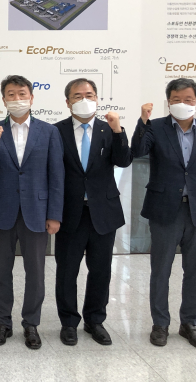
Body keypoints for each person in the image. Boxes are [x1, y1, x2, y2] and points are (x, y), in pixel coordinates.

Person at [131, 78, 196, 349]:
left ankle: (190, 323)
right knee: (160, 270)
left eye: (188, 99)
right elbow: (137, 151)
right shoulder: (156, 127)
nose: (182, 104)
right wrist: (143, 122)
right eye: (176, 99)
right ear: (168, 101)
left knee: (194, 270)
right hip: (164, 210)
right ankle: (160, 324)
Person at [0, 74, 64, 350]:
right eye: (11, 95)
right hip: (3, 211)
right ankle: (3, 322)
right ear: (3, 100)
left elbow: (56, 175)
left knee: (35, 272)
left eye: (22, 93)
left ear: (31, 97)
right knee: (1, 272)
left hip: (37, 211)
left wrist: (54, 214)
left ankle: (31, 323)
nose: (17, 99)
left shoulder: (49, 132)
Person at [53, 78, 132, 346]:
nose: (84, 99)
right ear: (68, 102)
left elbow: (123, 160)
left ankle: (95, 320)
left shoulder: (110, 129)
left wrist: (118, 130)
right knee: (67, 271)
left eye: (89, 95)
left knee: (101, 270)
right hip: (69, 212)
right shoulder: (56, 131)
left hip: (103, 212)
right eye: (77, 96)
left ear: (97, 99)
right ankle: (68, 322)